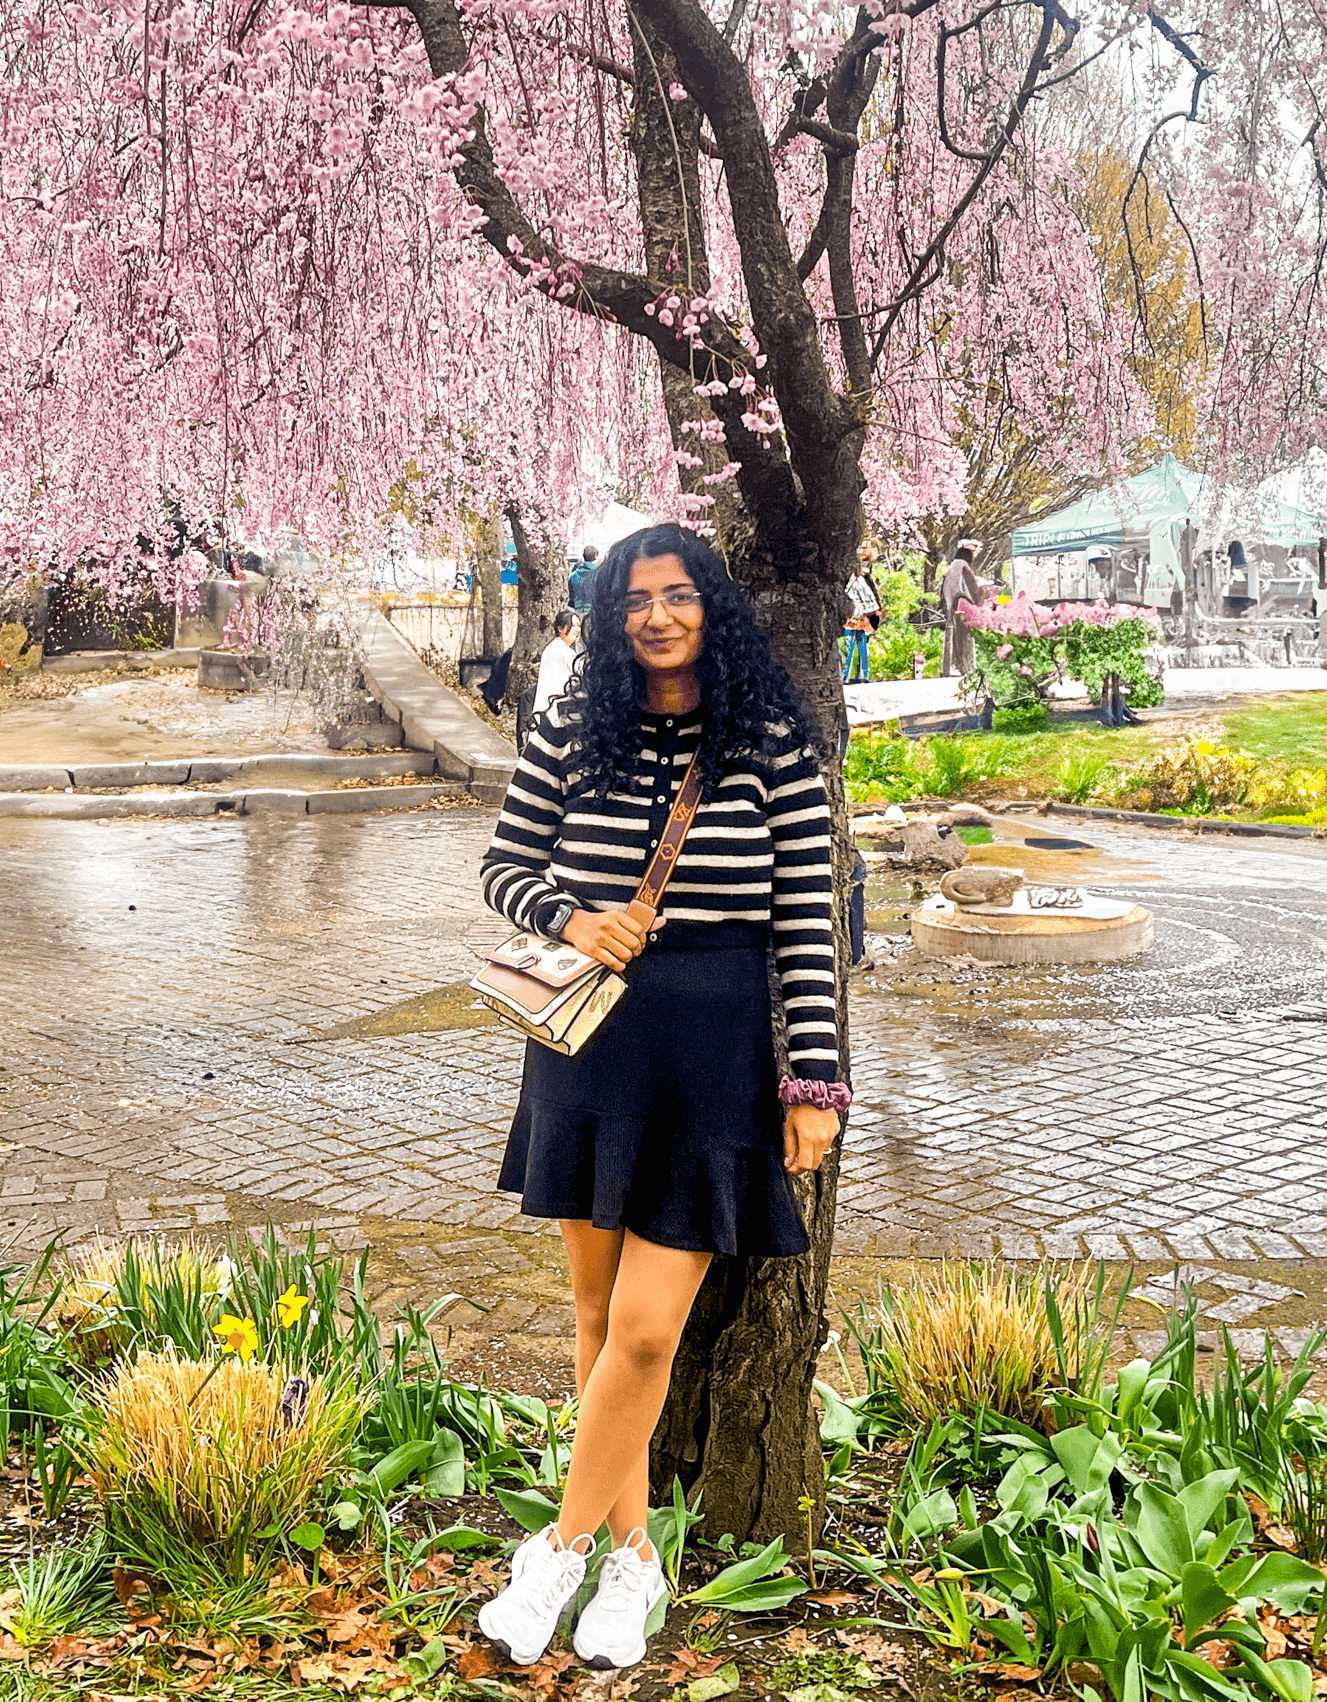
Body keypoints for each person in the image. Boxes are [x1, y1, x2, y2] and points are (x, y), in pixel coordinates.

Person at [477, 523, 845, 1672]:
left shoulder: (772, 740)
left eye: (678, 595)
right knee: (594, 1324)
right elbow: (502, 865)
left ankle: (559, 1547)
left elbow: (805, 928)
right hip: (590, 1045)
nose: (656, 616)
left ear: (711, 607)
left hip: (713, 1055)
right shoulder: (572, 728)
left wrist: (814, 1082)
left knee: (642, 1333)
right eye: (634, 599)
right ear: (609, 615)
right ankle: (633, 1563)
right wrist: (570, 916)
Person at [940, 538, 981, 677]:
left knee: (953, 637)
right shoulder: (963, 565)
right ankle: (968, 667)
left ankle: (952, 667)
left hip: (952, 605)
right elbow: (974, 588)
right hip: (963, 605)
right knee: (966, 638)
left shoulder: (952, 566)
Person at [531, 609, 581, 718]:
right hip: (555, 711)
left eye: (579, 625)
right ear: (560, 629)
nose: (578, 629)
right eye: (574, 625)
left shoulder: (553, 647)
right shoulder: (564, 652)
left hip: (545, 710)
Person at [842, 557, 879, 683]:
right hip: (852, 621)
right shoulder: (849, 582)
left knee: (859, 648)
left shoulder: (861, 582)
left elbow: (870, 601)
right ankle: (848, 676)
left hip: (860, 620)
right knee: (851, 649)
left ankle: (861, 675)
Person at [568, 544, 600, 615]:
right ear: (596, 555)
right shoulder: (601, 574)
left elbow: (571, 597)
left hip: (577, 612)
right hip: (595, 612)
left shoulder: (573, 576)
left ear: (583, 555)